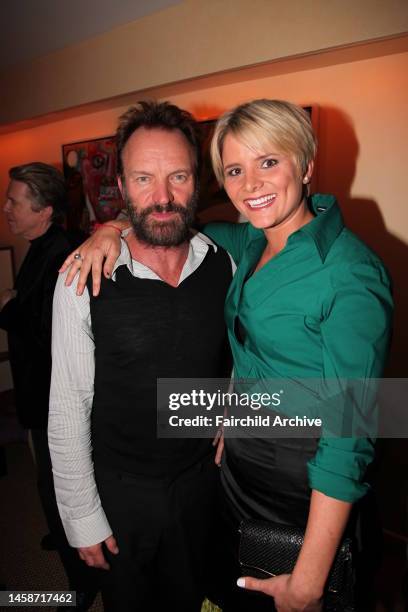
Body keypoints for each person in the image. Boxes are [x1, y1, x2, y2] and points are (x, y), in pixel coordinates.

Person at [62, 99, 393, 611]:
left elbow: (352, 429)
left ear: (305, 164)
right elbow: (163, 219)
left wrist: (307, 582)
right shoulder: (243, 242)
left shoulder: (351, 272)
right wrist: (108, 229)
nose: (252, 184)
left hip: (304, 486)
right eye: (236, 169)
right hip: (233, 477)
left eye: (269, 162)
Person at [48, 101, 233, 612]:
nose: (163, 197)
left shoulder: (224, 263)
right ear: (123, 189)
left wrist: (232, 408)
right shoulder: (81, 278)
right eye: (144, 179)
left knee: (194, 598)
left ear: (198, 181)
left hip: (202, 484)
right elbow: (66, 408)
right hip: (120, 495)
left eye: (178, 176)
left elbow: (236, 350)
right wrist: (81, 517)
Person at [0, 162, 99, 610]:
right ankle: (63, 535)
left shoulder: (61, 251)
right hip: (38, 390)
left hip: (52, 395)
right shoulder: (42, 245)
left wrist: (7, 308)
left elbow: (47, 330)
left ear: (44, 211)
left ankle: (82, 580)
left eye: (14, 202)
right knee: (48, 480)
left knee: (55, 483)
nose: (6, 209)